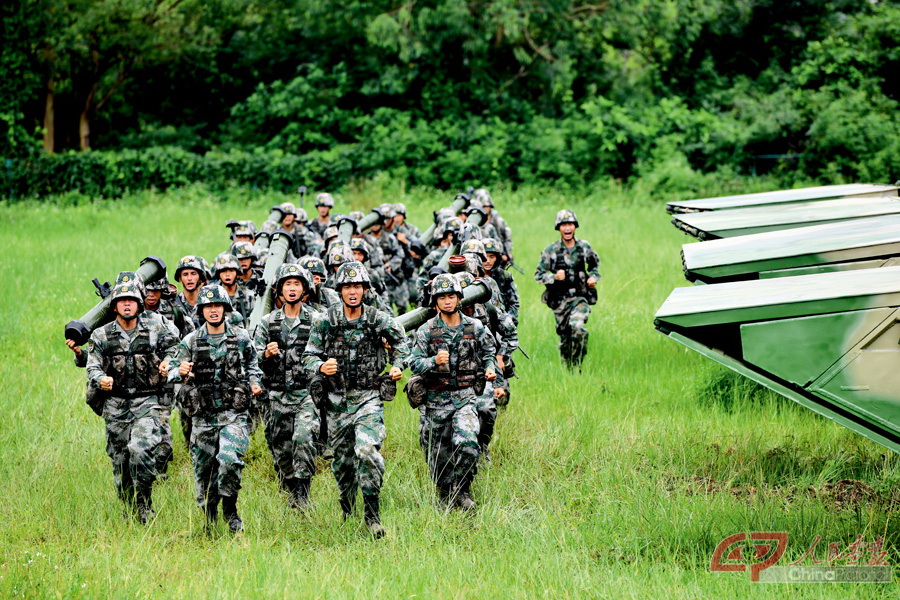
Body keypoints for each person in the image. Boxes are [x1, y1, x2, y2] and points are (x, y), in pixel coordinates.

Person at [301, 261, 409, 538]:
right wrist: (319, 367)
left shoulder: (377, 318)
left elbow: (402, 342)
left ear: (364, 289)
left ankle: (373, 516)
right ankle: (348, 511)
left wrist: (397, 365)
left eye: (357, 286)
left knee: (366, 451)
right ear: (340, 290)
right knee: (343, 462)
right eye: (347, 287)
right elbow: (308, 355)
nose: (353, 291)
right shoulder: (325, 319)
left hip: (368, 397)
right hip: (336, 401)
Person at [168, 283, 263, 533]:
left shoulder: (241, 338)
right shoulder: (191, 341)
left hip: (234, 415)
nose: (213, 310)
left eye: (217, 305)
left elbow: (254, 364)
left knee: (230, 460)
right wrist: (179, 370)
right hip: (203, 418)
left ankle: (231, 512)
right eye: (208, 306)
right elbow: (170, 371)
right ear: (202, 310)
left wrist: (254, 383)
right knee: (204, 472)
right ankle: (209, 518)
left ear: (225, 308)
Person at [85, 282, 180, 523]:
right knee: (120, 462)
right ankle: (128, 508)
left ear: (138, 303)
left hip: (147, 400)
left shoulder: (156, 325)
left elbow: (175, 347)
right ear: (115, 306)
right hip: (116, 405)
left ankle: (144, 502)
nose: (127, 304)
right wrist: (100, 379)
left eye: (131, 300)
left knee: (141, 449)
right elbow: (92, 365)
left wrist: (168, 361)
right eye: (121, 300)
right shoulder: (102, 334)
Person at [407, 274, 497, 510]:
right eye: (441, 297)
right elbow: (413, 362)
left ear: (459, 298)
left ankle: (463, 490)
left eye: (451, 296)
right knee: (438, 455)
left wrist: (489, 368)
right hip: (435, 402)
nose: (447, 301)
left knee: (468, 443)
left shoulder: (475, 326)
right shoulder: (427, 330)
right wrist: (433, 361)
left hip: (465, 398)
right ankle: (445, 494)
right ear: (435, 302)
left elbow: (489, 351)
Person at [253, 264, 321, 509]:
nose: (292, 289)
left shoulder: (316, 320)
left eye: (297, 284)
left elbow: (328, 352)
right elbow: (252, 358)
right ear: (280, 290)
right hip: (276, 395)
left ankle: (303, 494)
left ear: (304, 289)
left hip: (306, 394)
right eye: (287, 284)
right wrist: (265, 353)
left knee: (303, 438)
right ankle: (290, 487)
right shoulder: (267, 322)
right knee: (280, 448)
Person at [534, 209, 600, 368]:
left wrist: (593, 278)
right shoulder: (551, 250)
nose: (567, 228)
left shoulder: (584, 247)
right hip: (560, 301)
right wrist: (553, 277)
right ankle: (568, 368)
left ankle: (578, 365)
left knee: (577, 329)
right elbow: (538, 274)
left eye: (570, 224)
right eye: (563, 225)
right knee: (565, 338)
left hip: (580, 298)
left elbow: (594, 267)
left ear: (575, 226)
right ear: (558, 228)